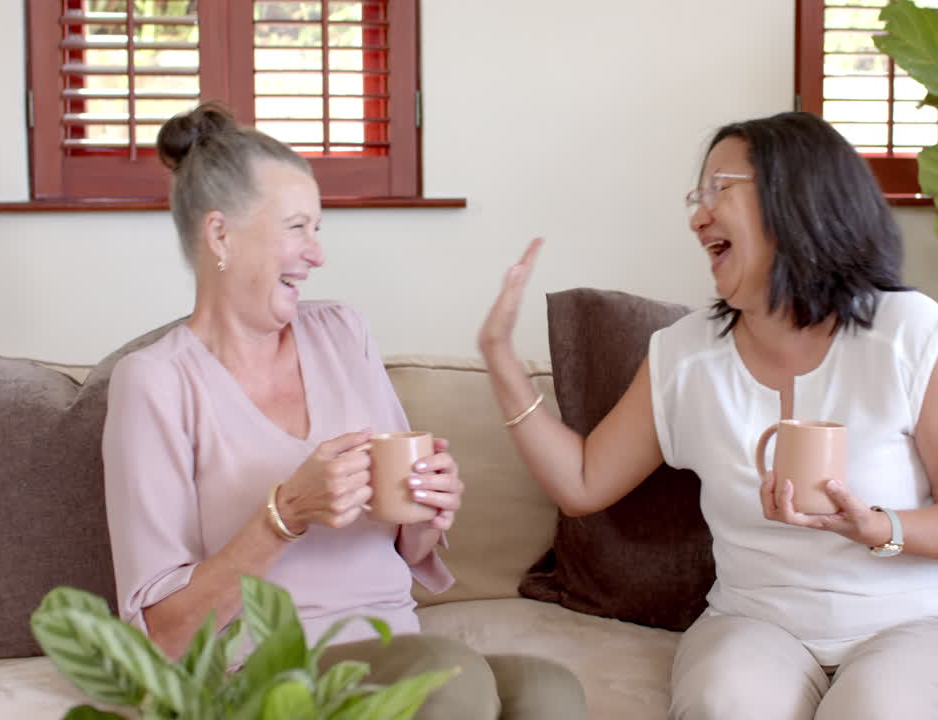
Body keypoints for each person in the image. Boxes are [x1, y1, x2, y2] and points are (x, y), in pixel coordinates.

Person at [478, 111, 938, 720]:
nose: (697, 216)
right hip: (757, 623)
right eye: (696, 195)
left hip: (923, 622)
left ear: (796, 198)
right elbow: (582, 484)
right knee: (726, 705)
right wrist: (499, 358)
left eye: (719, 189)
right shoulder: (686, 356)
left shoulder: (912, 336)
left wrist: (880, 527)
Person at [102, 102, 585, 720]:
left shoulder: (342, 333)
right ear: (221, 235)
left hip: (395, 651)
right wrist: (286, 513)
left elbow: (407, 547)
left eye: (319, 229)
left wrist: (429, 508)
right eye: (297, 227)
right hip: (259, 674)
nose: (317, 254)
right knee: (445, 679)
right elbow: (161, 634)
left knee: (550, 694)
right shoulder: (155, 382)